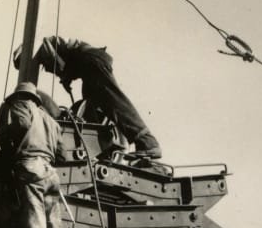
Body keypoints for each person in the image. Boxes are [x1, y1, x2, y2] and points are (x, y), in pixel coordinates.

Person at [15, 36, 162, 162]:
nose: (44, 68)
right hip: (89, 64)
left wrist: (64, 76)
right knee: (95, 108)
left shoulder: (42, 44)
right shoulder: (49, 46)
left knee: (114, 101)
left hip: (92, 60)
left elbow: (59, 63)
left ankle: (147, 142)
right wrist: (66, 78)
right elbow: (64, 62)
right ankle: (103, 149)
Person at [0, 81, 71, 228]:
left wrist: (1, 132)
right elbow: (62, 155)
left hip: (30, 168)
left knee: (35, 221)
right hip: (50, 173)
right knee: (55, 227)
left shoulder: (21, 105)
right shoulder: (51, 120)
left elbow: (20, 125)